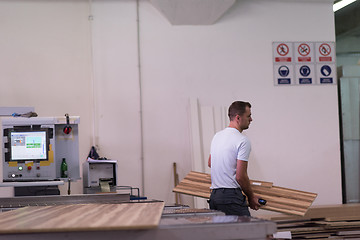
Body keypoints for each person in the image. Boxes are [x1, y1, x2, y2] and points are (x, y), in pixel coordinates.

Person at [208, 101, 260, 216]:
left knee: (224, 234)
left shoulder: (217, 136)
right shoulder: (242, 140)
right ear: (238, 118)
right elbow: (240, 176)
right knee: (247, 232)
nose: (251, 119)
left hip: (215, 197)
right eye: (248, 116)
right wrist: (251, 197)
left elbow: (211, 162)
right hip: (231, 198)